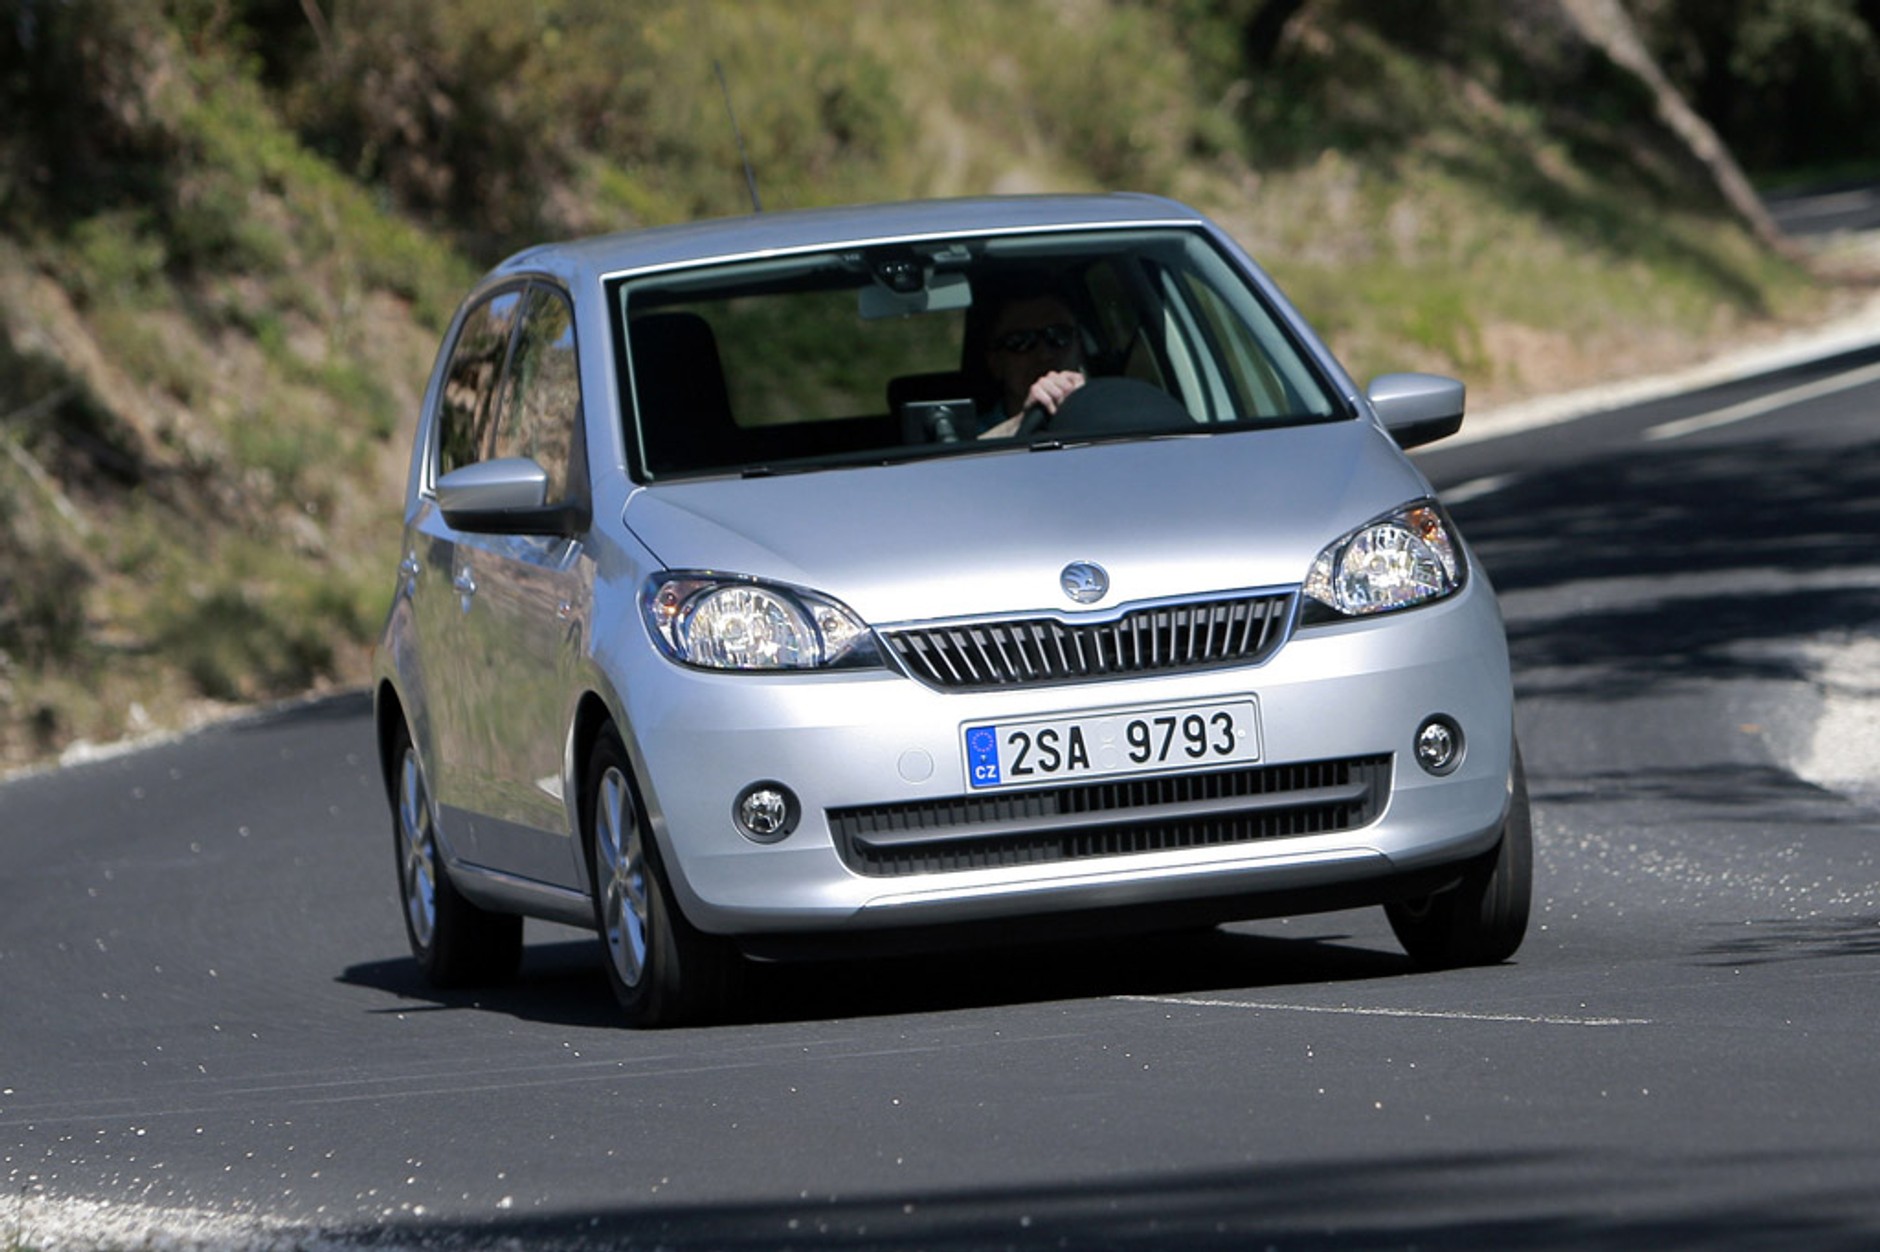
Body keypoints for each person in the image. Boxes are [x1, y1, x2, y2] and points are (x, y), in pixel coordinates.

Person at [975, 283, 1089, 438]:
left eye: (1059, 335)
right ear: (995, 362)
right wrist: (1024, 421)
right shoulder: (969, 436)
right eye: (1021, 341)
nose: (1044, 355)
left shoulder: (1108, 413)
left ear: (1079, 347)